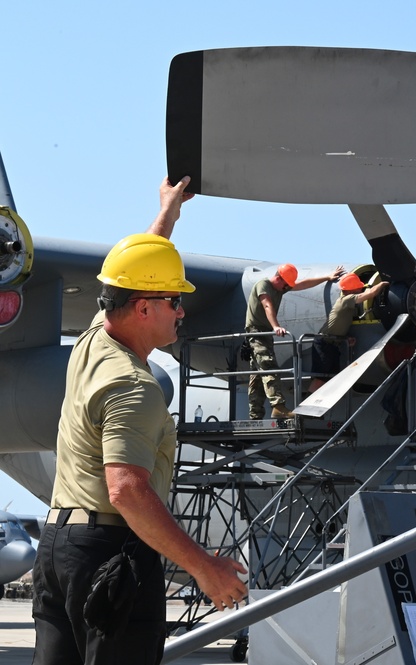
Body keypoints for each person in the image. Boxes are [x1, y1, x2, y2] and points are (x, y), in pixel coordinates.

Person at [32, 177, 248, 665]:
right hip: (110, 552)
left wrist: (167, 213)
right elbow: (126, 490)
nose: (181, 310)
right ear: (145, 308)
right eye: (174, 301)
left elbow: (133, 271)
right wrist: (204, 567)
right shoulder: (133, 385)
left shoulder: (96, 336)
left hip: (58, 547)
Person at [245, 263, 342, 419]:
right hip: (257, 333)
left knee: (257, 375)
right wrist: (276, 326)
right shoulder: (264, 285)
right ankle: (278, 407)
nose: (286, 288)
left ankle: (255, 415)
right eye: (285, 285)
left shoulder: (280, 287)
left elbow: (303, 284)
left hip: (265, 334)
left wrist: (327, 277)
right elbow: (267, 305)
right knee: (269, 367)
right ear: (278, 278)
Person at [308, 272, 389, 393]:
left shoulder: (347, 302)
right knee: (321, 378)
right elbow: (371, 293)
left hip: (333, 343)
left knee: (329, 378)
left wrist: (345, 338)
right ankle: (304, 408)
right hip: (325, 343)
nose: (361, 288)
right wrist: (382, 284)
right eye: (358, 287)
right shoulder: (347, 300)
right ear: (352, 290)